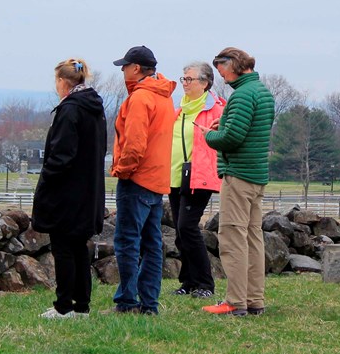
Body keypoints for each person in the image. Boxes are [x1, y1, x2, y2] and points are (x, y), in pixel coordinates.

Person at [196, 47, 275, 316]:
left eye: (222, 70)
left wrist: (209, 136)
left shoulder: (242, 95)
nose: (222, 77)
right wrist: (226, 125)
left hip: (239, 175)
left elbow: (233, 139)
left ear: (233, 65)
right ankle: (255, 300)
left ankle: (235, 301)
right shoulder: (262, 92)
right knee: (253, 238)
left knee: (232, 237)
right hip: (256, 175)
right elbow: (248, 130)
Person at [31, 58, 107, 319]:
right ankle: (81, 305)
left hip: (66, 193)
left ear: (62, 82)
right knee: (78, 249)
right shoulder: (95, 108)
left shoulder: (70, 109)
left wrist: (46, 181)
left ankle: (64, 305)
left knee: (63, 248)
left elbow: (62, 155)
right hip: (88, 191)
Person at [109, 46, 176, 315]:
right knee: (152, 245)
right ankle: (149, 304)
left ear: (136, 68)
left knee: (127, 242)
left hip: (137, 179)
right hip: (157, 179)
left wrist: (123, 171)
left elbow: (134, 144)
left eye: (125, 66)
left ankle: (127, 301)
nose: (123, 71)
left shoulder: (140, 98)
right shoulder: (164, 97)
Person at [169, 61, 225, 299]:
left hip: (198, 177)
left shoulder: (216, 110)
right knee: (181, 233)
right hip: (174, 176)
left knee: (187, 227)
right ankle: (188, 282)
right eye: (183, 79)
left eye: (189, 79)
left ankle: (205, 284)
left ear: (205, 83)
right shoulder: (180, 109)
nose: (185, 83)